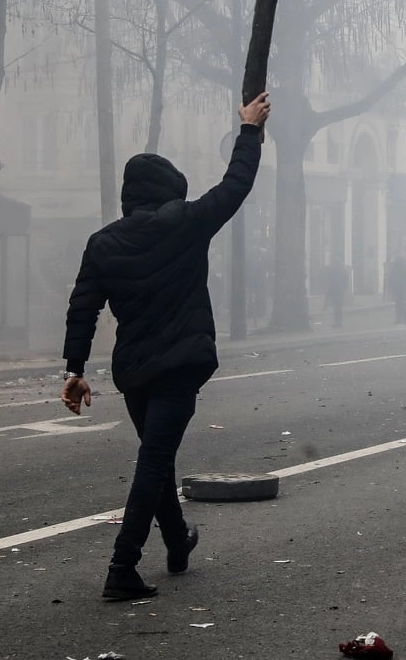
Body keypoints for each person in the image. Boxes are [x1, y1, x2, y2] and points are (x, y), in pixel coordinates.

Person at [60, 92, 272, 601]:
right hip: (180, 361)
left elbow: (82, 307)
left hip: (133, 368)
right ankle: (123, 566)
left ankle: (178, 542)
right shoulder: (185, 223)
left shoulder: (103, 243)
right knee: (155, 460)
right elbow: (235, 186)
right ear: (169, 189)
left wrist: (74, 367)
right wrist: (248, 131)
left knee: (159, 456)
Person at [386, 252, 406, 324]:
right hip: (401, 288)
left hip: (397, 288)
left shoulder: (395, 268)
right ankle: (404, 319)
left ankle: (400, 319)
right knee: (402, 304)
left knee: (398, 304)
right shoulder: (404, 268)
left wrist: (389, 287)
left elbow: (391, 278)